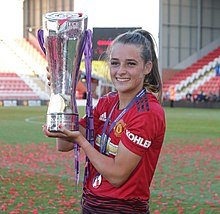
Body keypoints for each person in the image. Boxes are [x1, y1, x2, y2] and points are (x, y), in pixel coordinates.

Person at [43, 29, 166, 213]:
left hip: (123, 209)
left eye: (130, 64)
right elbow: (63, 144)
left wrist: (81, 142)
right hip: (92, 203)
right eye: (115, 63)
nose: (121, 71)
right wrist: (62, 89)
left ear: (147, 67)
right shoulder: (107, 102)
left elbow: (117, 175)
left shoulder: (148, 112)